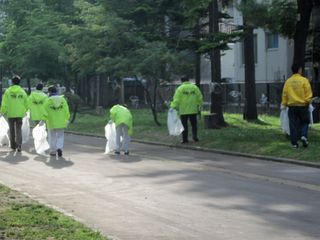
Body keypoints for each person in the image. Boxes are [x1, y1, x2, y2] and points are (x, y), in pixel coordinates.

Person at [281, 63, 313, 148]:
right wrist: (308, 101)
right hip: (302, 106)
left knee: (293, 125)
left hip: (291, 106)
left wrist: (284, 104)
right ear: (299, 69)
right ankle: (303, 135)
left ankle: (294, 144)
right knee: (305, 122)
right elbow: (308, 93)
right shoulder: (304, 80)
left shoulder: (288, 81)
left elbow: (284, 94)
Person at [170, 76, 203, 143]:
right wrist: (200, 105)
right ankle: (195, 137)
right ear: (188, 80)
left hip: (183, 110)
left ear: (181, 81)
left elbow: (176, 99)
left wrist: (172, 107)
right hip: (193, 110)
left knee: (184, 125)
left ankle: (185, 139)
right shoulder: (194, 87)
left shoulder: (180, 88)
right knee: (194, 124)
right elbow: (199, 97)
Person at [0, 75, 28, 152]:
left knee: (12, 130)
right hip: (19, 114)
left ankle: (13, 146)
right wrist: (26, 111)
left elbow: (4, 104)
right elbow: (26, 103)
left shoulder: (8, 91)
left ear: (12, 82)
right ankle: (19, 145)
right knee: (18, 130)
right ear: (19, 82)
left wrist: (1, 112)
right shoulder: (22, 92)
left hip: (11, 113)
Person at [43, 86, 70, 157]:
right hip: (61, 121)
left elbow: (44, 111)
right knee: (60, 136)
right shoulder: (63, 100)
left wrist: (44, 119)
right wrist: (66, 119)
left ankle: (53, 151)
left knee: (52, 137)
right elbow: (67, 111)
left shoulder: (47, 101)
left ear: (50, 92)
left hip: (51, 121)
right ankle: (59, 148)